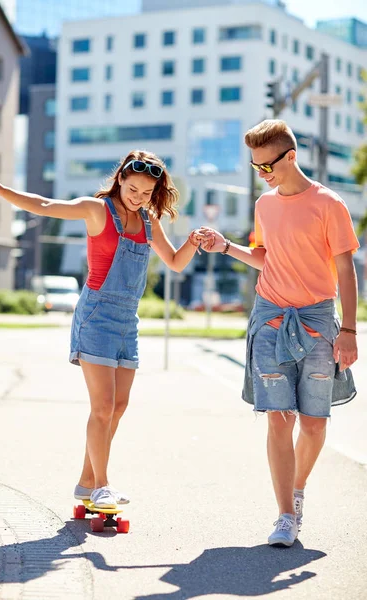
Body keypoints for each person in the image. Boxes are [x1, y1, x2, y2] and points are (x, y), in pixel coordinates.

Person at [0, 150, 213, 509]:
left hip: (127, 322)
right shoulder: (96, 210)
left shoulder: (149, 221)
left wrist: (193, 242)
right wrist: (0, 189)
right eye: (133, 188)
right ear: (120, 179)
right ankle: (102, 484)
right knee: (101, 406)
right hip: (97, 315)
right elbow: (42, 204)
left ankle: (87, 483)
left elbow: (176, 263)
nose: (138, 197)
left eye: (146, 193)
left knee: (118, 407)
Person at [200, 120, 359, 547]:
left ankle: (297, 490)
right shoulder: (265, 205)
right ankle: (286, 515)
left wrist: (349, 330)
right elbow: (264, 257)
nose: (263, 175)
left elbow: (346, 270)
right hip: (270, 317)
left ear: (290, 156)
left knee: (313, 423)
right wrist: (225, 246)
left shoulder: (329, 204)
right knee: (277, 418)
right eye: (256, 168)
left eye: (267, 167)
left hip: (319, 320)